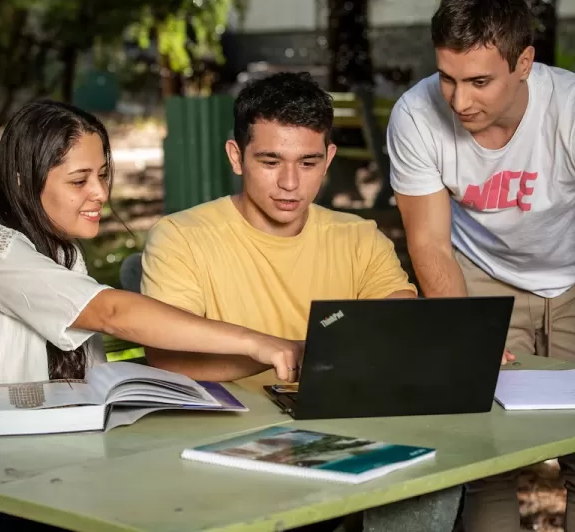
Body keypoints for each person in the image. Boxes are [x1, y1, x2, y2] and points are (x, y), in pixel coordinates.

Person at [0, 99, 302, 531]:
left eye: (101, 175)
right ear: (24, 180)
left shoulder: (63, 255)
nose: (99, 192)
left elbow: (93, 387)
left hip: (25, 475)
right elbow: (113, 312)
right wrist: (257, 341)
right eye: (79, 180)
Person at [386, 0, 575, 532]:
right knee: (487, 460)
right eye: (447, 78)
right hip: (481, 278)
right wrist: (468, 340)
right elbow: (427, 244)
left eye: (479, 81)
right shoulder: (416, 115)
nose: (460, 100)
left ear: (523, 63)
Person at [139, 72, 418, 392]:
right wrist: (287, 353)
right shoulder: (181, 238)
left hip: (341, 414)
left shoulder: (360, 239)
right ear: (236, 157)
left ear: (328, 160)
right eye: (271, 162)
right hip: (230, 428)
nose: (290, 183)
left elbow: (400, 328)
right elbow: (170, 357)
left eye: (307, 163)